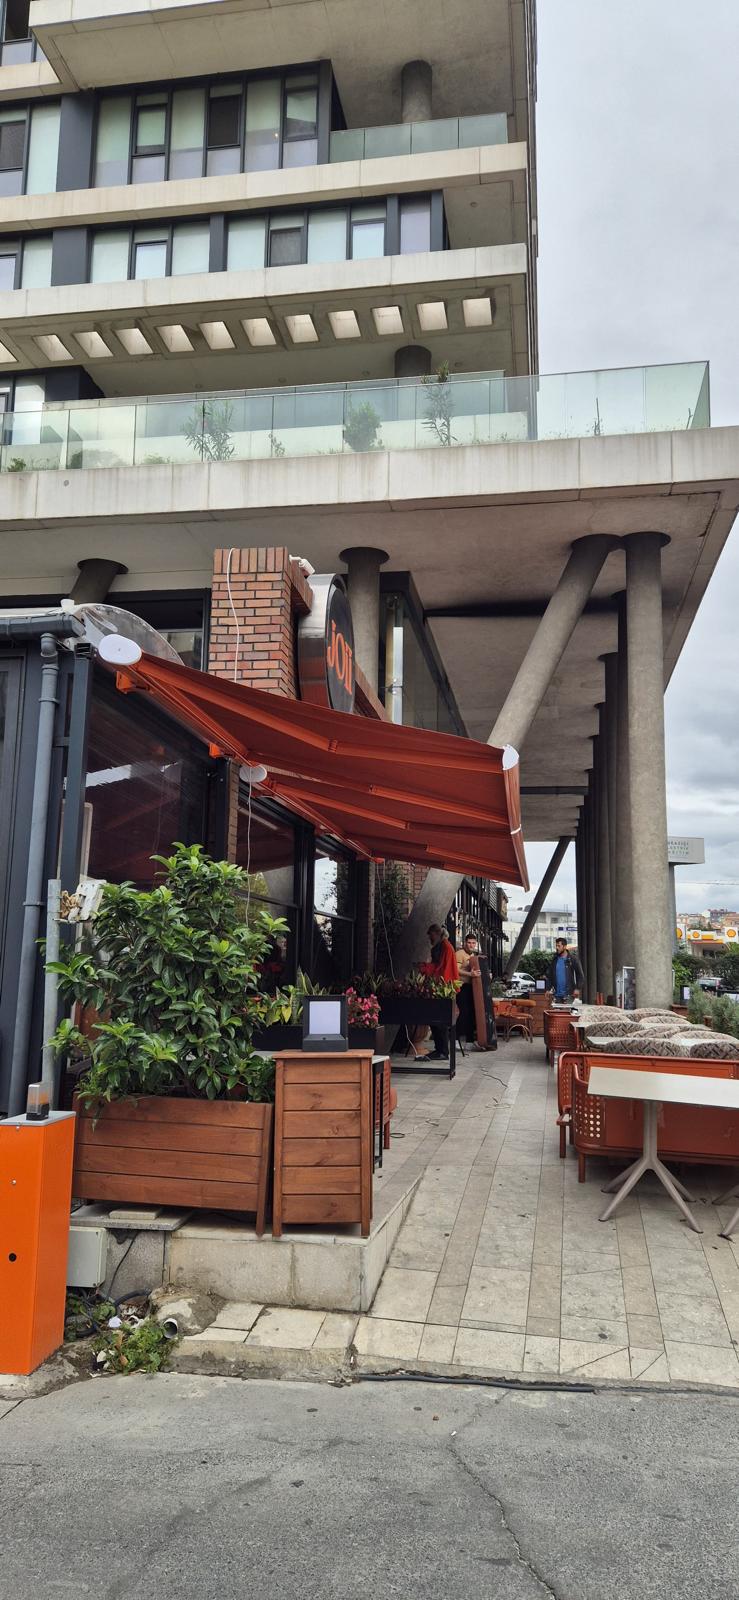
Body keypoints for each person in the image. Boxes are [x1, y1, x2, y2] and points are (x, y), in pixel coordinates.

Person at [419, 923, 459, 1060]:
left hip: (443, 987)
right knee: (435, 1019)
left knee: (439, 1020)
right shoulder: (443, 945)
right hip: (441, 986)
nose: (430, 938)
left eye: (431, 935)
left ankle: (442, 1051)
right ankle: (440, 1050)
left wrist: (426, 969)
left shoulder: (445, 947)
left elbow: (443, 969)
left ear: (436, 934)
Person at [456, 933, 480, 1044]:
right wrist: (470, 974)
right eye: (469, 942)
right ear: (465, 943)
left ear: (476, 944)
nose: (471, 945)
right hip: (461, 986)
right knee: (464, 1012)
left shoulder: (474, 956)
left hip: (472, 987)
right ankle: (455, 1039)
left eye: (473, 943)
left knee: (471, 1013)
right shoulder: (459, 954)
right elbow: (456, 970)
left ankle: (470, 1041)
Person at [545, 938, 584, 1004]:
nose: (557, 948)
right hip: (557, 994)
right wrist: (548, 989)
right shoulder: (554, 960)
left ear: (565, 946)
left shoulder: (573, 959)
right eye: (556, 946)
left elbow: (580, 975)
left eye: (559, 946)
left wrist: (578, 988)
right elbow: (550, 975)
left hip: (569, 994)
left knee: (565, 1010)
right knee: (557, 1010)